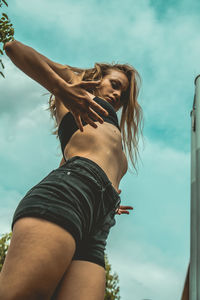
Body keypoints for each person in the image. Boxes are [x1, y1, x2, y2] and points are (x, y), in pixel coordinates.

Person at [0, 40, 143, 300]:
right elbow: (13, 48)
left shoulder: (109, 128)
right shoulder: (77, 90)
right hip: (72, 193)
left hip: (98, 219)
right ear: (96, 78)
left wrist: (106, 196)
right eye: (114, 84)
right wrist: (61, 88)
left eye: (122, 96)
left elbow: (70, 159)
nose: (116, 96)